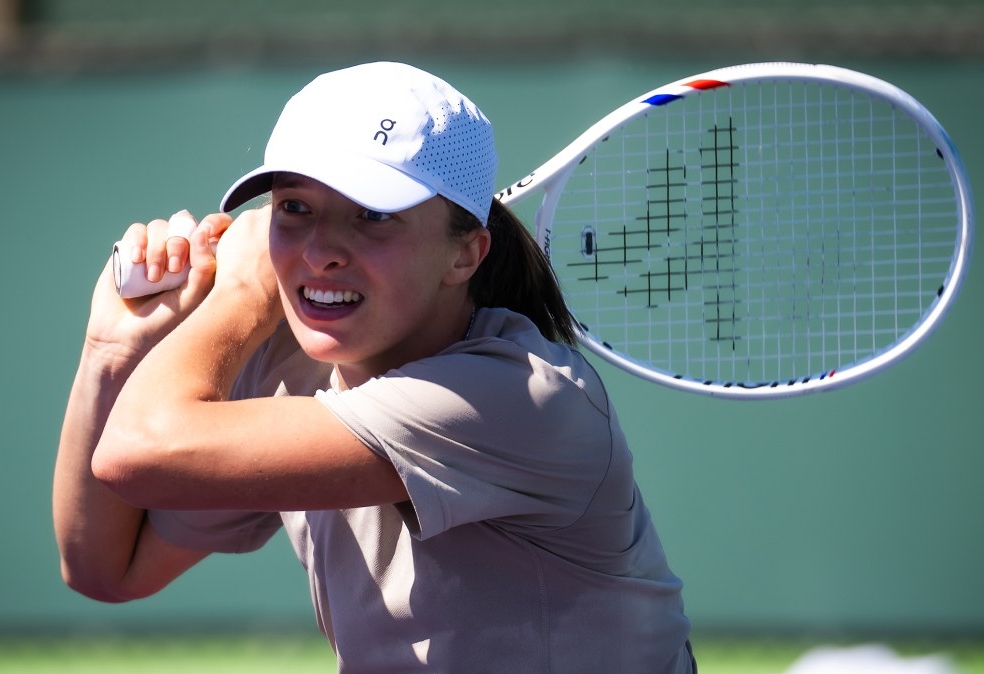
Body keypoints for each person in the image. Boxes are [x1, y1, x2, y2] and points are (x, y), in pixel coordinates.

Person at [53, 61, 694, 673]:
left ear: (465, 255)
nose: (321, 251)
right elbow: (107, 569)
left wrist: (240, 298)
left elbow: (136, 451)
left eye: (374, 215)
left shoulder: (519, 397)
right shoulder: (287, 367)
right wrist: (111, 350)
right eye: (294, 208)